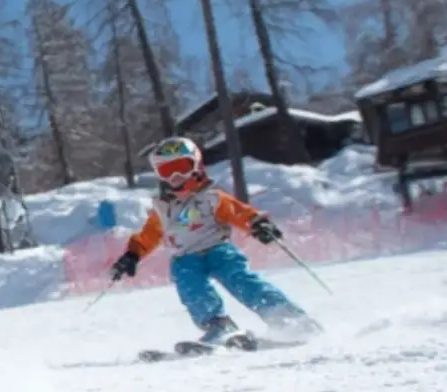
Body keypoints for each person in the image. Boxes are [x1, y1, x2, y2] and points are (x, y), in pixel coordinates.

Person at [110, 136, 320, 344]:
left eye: (181, 167)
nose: (174, 176)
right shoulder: (162, 209)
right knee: (191, 289)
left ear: (195, 165)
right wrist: (132, 255)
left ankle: (288, 318)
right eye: (166, 170)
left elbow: (238, 212)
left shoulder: (212, 198)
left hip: (218, 250)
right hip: (185, 258)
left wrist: (257, 224)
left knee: (242, 281)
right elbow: (149, 235)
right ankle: (218, 325)